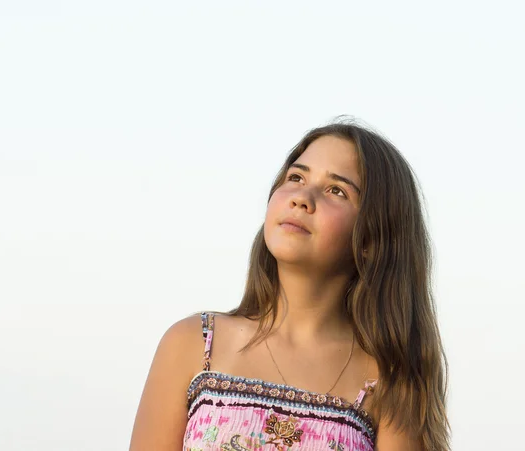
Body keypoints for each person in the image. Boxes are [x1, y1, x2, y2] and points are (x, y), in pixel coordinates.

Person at [130, 118, 450, 451]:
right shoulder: (192, 344)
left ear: (372, 239)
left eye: (336, 190)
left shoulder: (388, 381)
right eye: (296, 177)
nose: (302, 197)